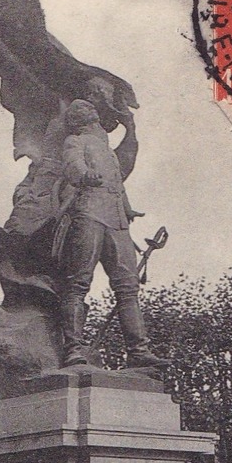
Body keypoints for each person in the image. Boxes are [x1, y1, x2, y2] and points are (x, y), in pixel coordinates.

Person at [56, 98, 166, 370]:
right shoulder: (76, 141)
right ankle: (74, 349)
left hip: (116, 220)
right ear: (82, 122)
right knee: (78, 283)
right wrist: (85, 175)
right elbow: (72, 167)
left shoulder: (109, 151)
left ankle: (138, 351)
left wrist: (128, 209)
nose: (96, 120)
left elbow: (118, 183)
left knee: (128, 288)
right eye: (91, 116)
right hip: (89, 213)